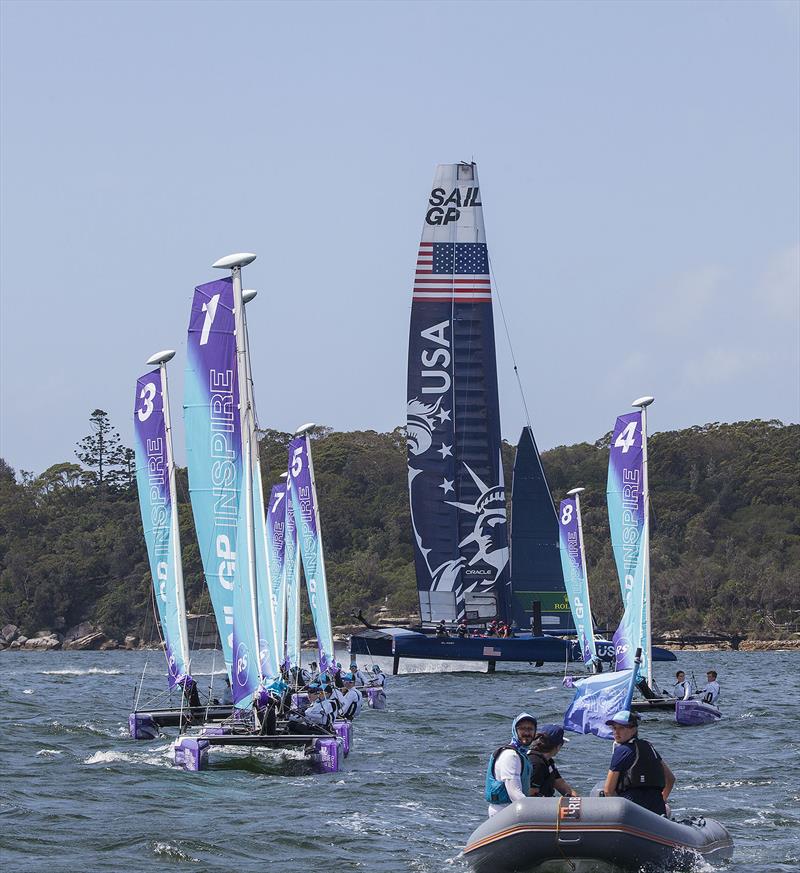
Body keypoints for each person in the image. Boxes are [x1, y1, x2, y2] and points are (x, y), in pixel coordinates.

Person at [603, 710, 675, 816]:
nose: (616, 732)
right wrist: (663, 799)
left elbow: (608, 790)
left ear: (633, 729)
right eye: (614, 728)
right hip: (656, 806)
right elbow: (671, 779)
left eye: (621, 728)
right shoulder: (649, 747)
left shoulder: (622, 751)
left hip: (632, 807)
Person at [485, 713, 537, 817]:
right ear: (515, 730)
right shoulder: (510, 756)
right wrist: (536, 811)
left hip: (515, 809)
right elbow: (514, 793)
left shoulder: (522, 754)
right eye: (522, 728)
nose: (527, 732)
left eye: (530, 729)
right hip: (503, 812)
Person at [527, 725, 578, 797]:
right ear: (558, 746)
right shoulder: (537, 764)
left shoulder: (548, 761)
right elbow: (531, 795)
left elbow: (562, 786)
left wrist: (578, 801)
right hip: (538, 805)